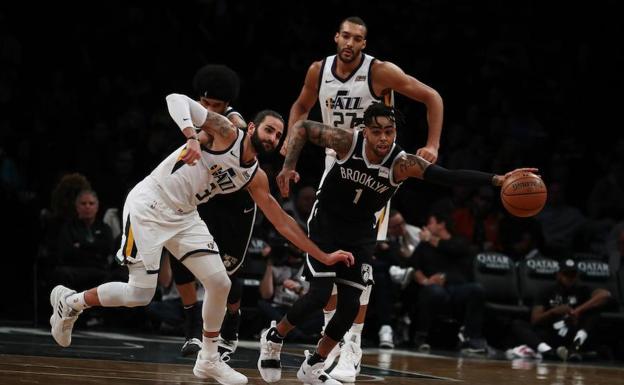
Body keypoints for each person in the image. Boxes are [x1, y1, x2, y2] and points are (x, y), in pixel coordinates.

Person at [49, 93, 354, 385]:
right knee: (140, 293)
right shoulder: (226, 131)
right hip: (149, 206)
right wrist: (192, 136)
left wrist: (323, 256)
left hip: (185, 216)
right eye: (269, 130)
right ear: (251, 128)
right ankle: (71, 302)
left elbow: (284, 223)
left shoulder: (255, 176)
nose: (273, 138)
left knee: (220, 283)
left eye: (278, 135)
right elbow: (175, 99)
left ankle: (208, 358)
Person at [257, 103, 532, 385]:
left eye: (389, 132)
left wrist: (498, 180)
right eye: (376, 132)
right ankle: (275, 336)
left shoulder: (402, 164)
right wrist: (288, 166)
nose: (383, 139)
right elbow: (302, 128)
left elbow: (447, 176)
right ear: (364, 132)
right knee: (319, 295)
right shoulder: (346, 142)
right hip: (326, 225)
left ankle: (313, 366)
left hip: (361, 233)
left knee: (351, 307)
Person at [281, 15, 444, 378]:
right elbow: (301, 107)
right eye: (345, 36)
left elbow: (432, 97)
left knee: (361, 265)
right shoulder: (317, 71)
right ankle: (333, 344)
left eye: (358, 38)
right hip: (333, 165)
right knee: (327, 265)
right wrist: (290, 147)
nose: (350, 42)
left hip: (373, 170)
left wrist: (432, 145)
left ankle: (352, 346)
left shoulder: (380, 72)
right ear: (335, 37)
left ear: (364, 44)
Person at [167, 64, 257, 357]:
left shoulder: (233, 120)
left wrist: (197, 137)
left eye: (214, 105)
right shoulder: (190, 113)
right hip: (203, 198)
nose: (207, 108)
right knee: (180, 255)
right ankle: (192, 323)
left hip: (235, 203)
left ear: (226, 105)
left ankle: (232, 318)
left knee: (229, 272)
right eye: (204, 103)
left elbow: (213, 136)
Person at [508, 258, 612, 361]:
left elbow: (605, 295)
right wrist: (553, 312)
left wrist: (577, 311)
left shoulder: (583, 290)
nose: (570, 278)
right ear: (559, 275)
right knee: (518, 324)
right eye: (566, 274)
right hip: (551, 331)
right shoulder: (546, 291)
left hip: (573, 332)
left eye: (573, 274)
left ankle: (574, 348)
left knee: (595, 312)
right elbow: (535, 319)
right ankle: (548, 351)